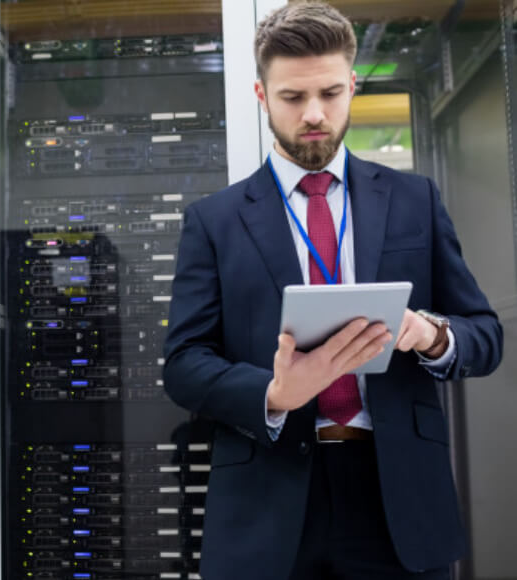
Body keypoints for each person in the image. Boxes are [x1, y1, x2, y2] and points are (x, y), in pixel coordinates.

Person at [163, 2, 503, 579]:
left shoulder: (414, 198)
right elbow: (184, 364)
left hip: (396, 497)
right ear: (262, 95)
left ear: (351, 85)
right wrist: (274, 393)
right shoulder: (213, 220)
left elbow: (486, 336)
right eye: (293, 98)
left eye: (330, 93)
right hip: (267, 501)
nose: (314, 114)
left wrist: (428, 333)